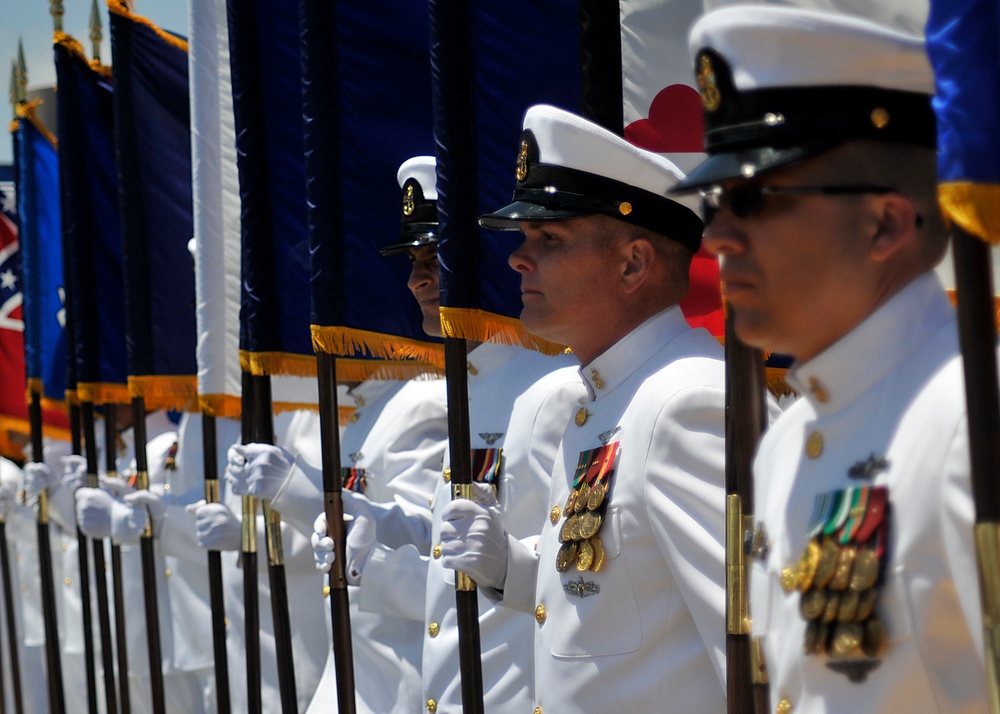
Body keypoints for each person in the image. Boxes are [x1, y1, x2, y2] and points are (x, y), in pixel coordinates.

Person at [672, 7, 987, 713]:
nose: (717, 235)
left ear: (885, 223)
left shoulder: (973, 422)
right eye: (717, 202)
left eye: (752, 199)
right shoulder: (787, 440)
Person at [447, 102, 735, 712]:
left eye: (548, 238)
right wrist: (512, 571)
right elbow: (616, 605)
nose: (518, 259)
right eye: (525, 238)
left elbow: (754, 652)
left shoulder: (685, 402)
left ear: (632, 263)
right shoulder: (596, 402)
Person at [294, 155, 588, 712]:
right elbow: (451, 541)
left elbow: (561, 572)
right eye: (413, 260)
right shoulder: (470, 386)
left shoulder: (552, 388)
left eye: (436, 257)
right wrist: (373, 523)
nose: (416, 279)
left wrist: (380, 564)